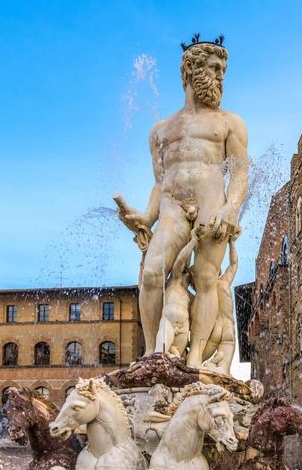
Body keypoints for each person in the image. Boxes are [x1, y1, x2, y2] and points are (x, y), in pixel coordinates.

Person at [117, 37, 249, 367]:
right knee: (152, 274)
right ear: (191, 71)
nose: (220, 77)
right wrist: (147, 216)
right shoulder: (161, 130)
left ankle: (194, 360)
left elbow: (241, 173)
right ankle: (152, 355)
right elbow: (160, 182)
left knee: (205, 279)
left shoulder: (229, 122)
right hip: (173, 206)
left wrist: (231, 207)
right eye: (215, 68)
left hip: (212, 202)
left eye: (223, 71)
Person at [154, 226, 206, 356]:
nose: (188, 274)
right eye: (187, 272)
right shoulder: (175, 280)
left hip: (183, 327)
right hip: (168, 323)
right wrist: (193, 240)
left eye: (191, 274)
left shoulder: (191, 296)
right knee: (160, 354)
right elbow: (180, 259)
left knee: (178, 360)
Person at [202, 225, 241, 373]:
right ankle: (212, 365)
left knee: (196, 360)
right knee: (224, 371)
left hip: (215, 328)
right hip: (228, 327)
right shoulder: (223, 282)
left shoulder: (205, 288)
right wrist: (232, 242)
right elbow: (234, 264)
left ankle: (208, 364)